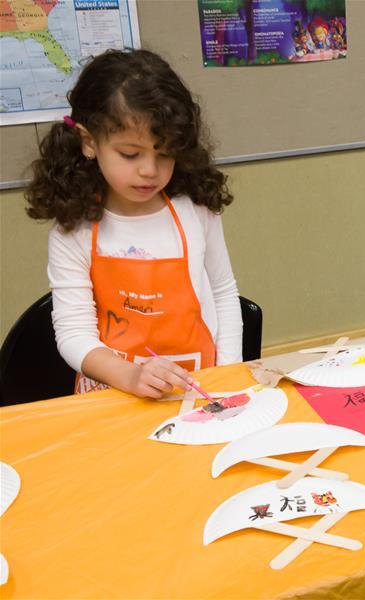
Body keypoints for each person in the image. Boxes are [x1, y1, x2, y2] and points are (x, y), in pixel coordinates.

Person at [25, 49, 242, 399]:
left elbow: (224, 294)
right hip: (111, 393)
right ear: (89, 142)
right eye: (131, 154)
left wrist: (230, 375)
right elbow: (73, 335)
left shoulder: (196, 211)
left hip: (199, 389)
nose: (149, 171)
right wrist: (130, 377)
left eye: (165, 153)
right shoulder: (75, 229)